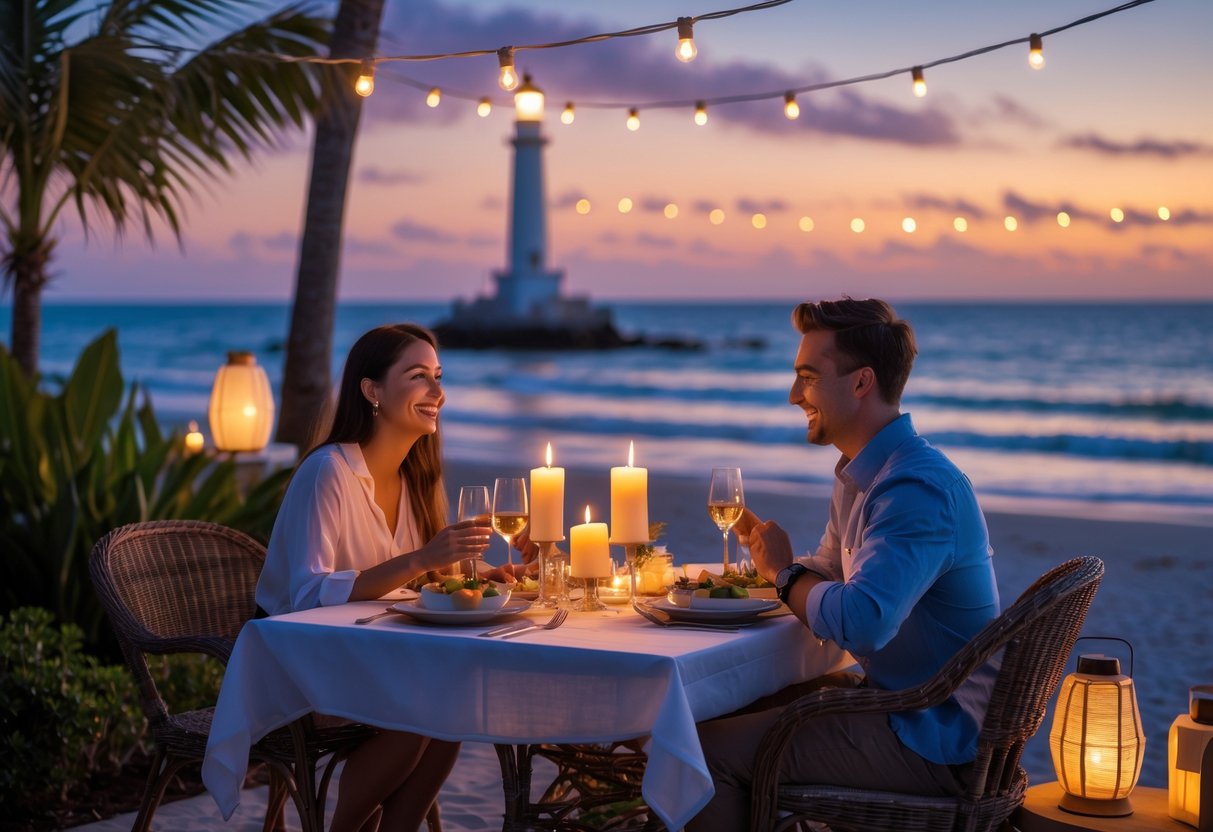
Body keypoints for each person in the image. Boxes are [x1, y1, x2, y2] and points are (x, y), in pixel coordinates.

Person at [687, 298, 1001, 831]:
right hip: (902, 706)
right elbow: (832, 570)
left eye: (807, 378)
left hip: (934, 735)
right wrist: (758, 576)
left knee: (700, 756)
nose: (793, 396)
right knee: (717, 709)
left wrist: (784, 575)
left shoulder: (916, 489)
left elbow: (863, 620)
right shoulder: (866, 472)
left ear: (861, 383)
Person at [256, 323, 492, 832]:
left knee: (449, 708)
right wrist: (421, 560)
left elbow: (430, 581)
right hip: (302, 667)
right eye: (418, 377)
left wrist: (493, 573)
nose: (437, 392)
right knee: (424, 707)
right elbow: (308, 595)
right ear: (372, 391)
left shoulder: (415, 480)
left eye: (438, 376)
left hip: (380, 660)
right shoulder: (329, 473)